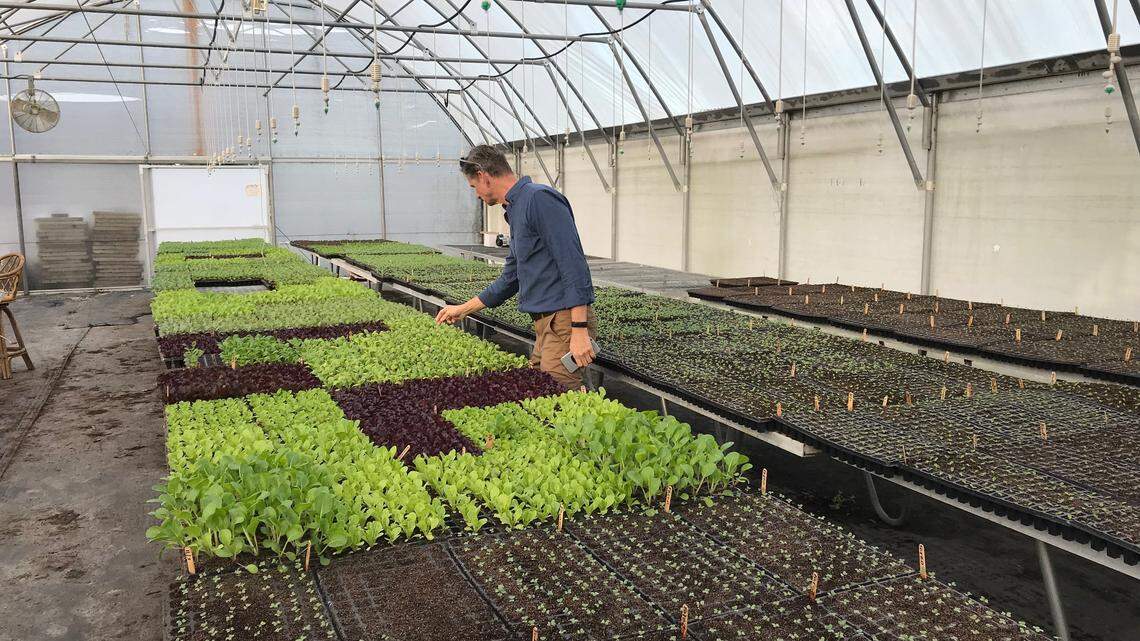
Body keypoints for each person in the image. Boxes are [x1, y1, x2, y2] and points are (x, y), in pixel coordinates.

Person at [435, 145, 597, 391]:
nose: (476, 194)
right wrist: (463, 309)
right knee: (539, 392)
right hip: (545, 324)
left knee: (558, 398)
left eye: (473, 187)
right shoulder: (516, 208)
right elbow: (511, 277)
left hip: (562, 321)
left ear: (483, 176)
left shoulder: (539, 199)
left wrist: (579, 330)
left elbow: (573, 264)